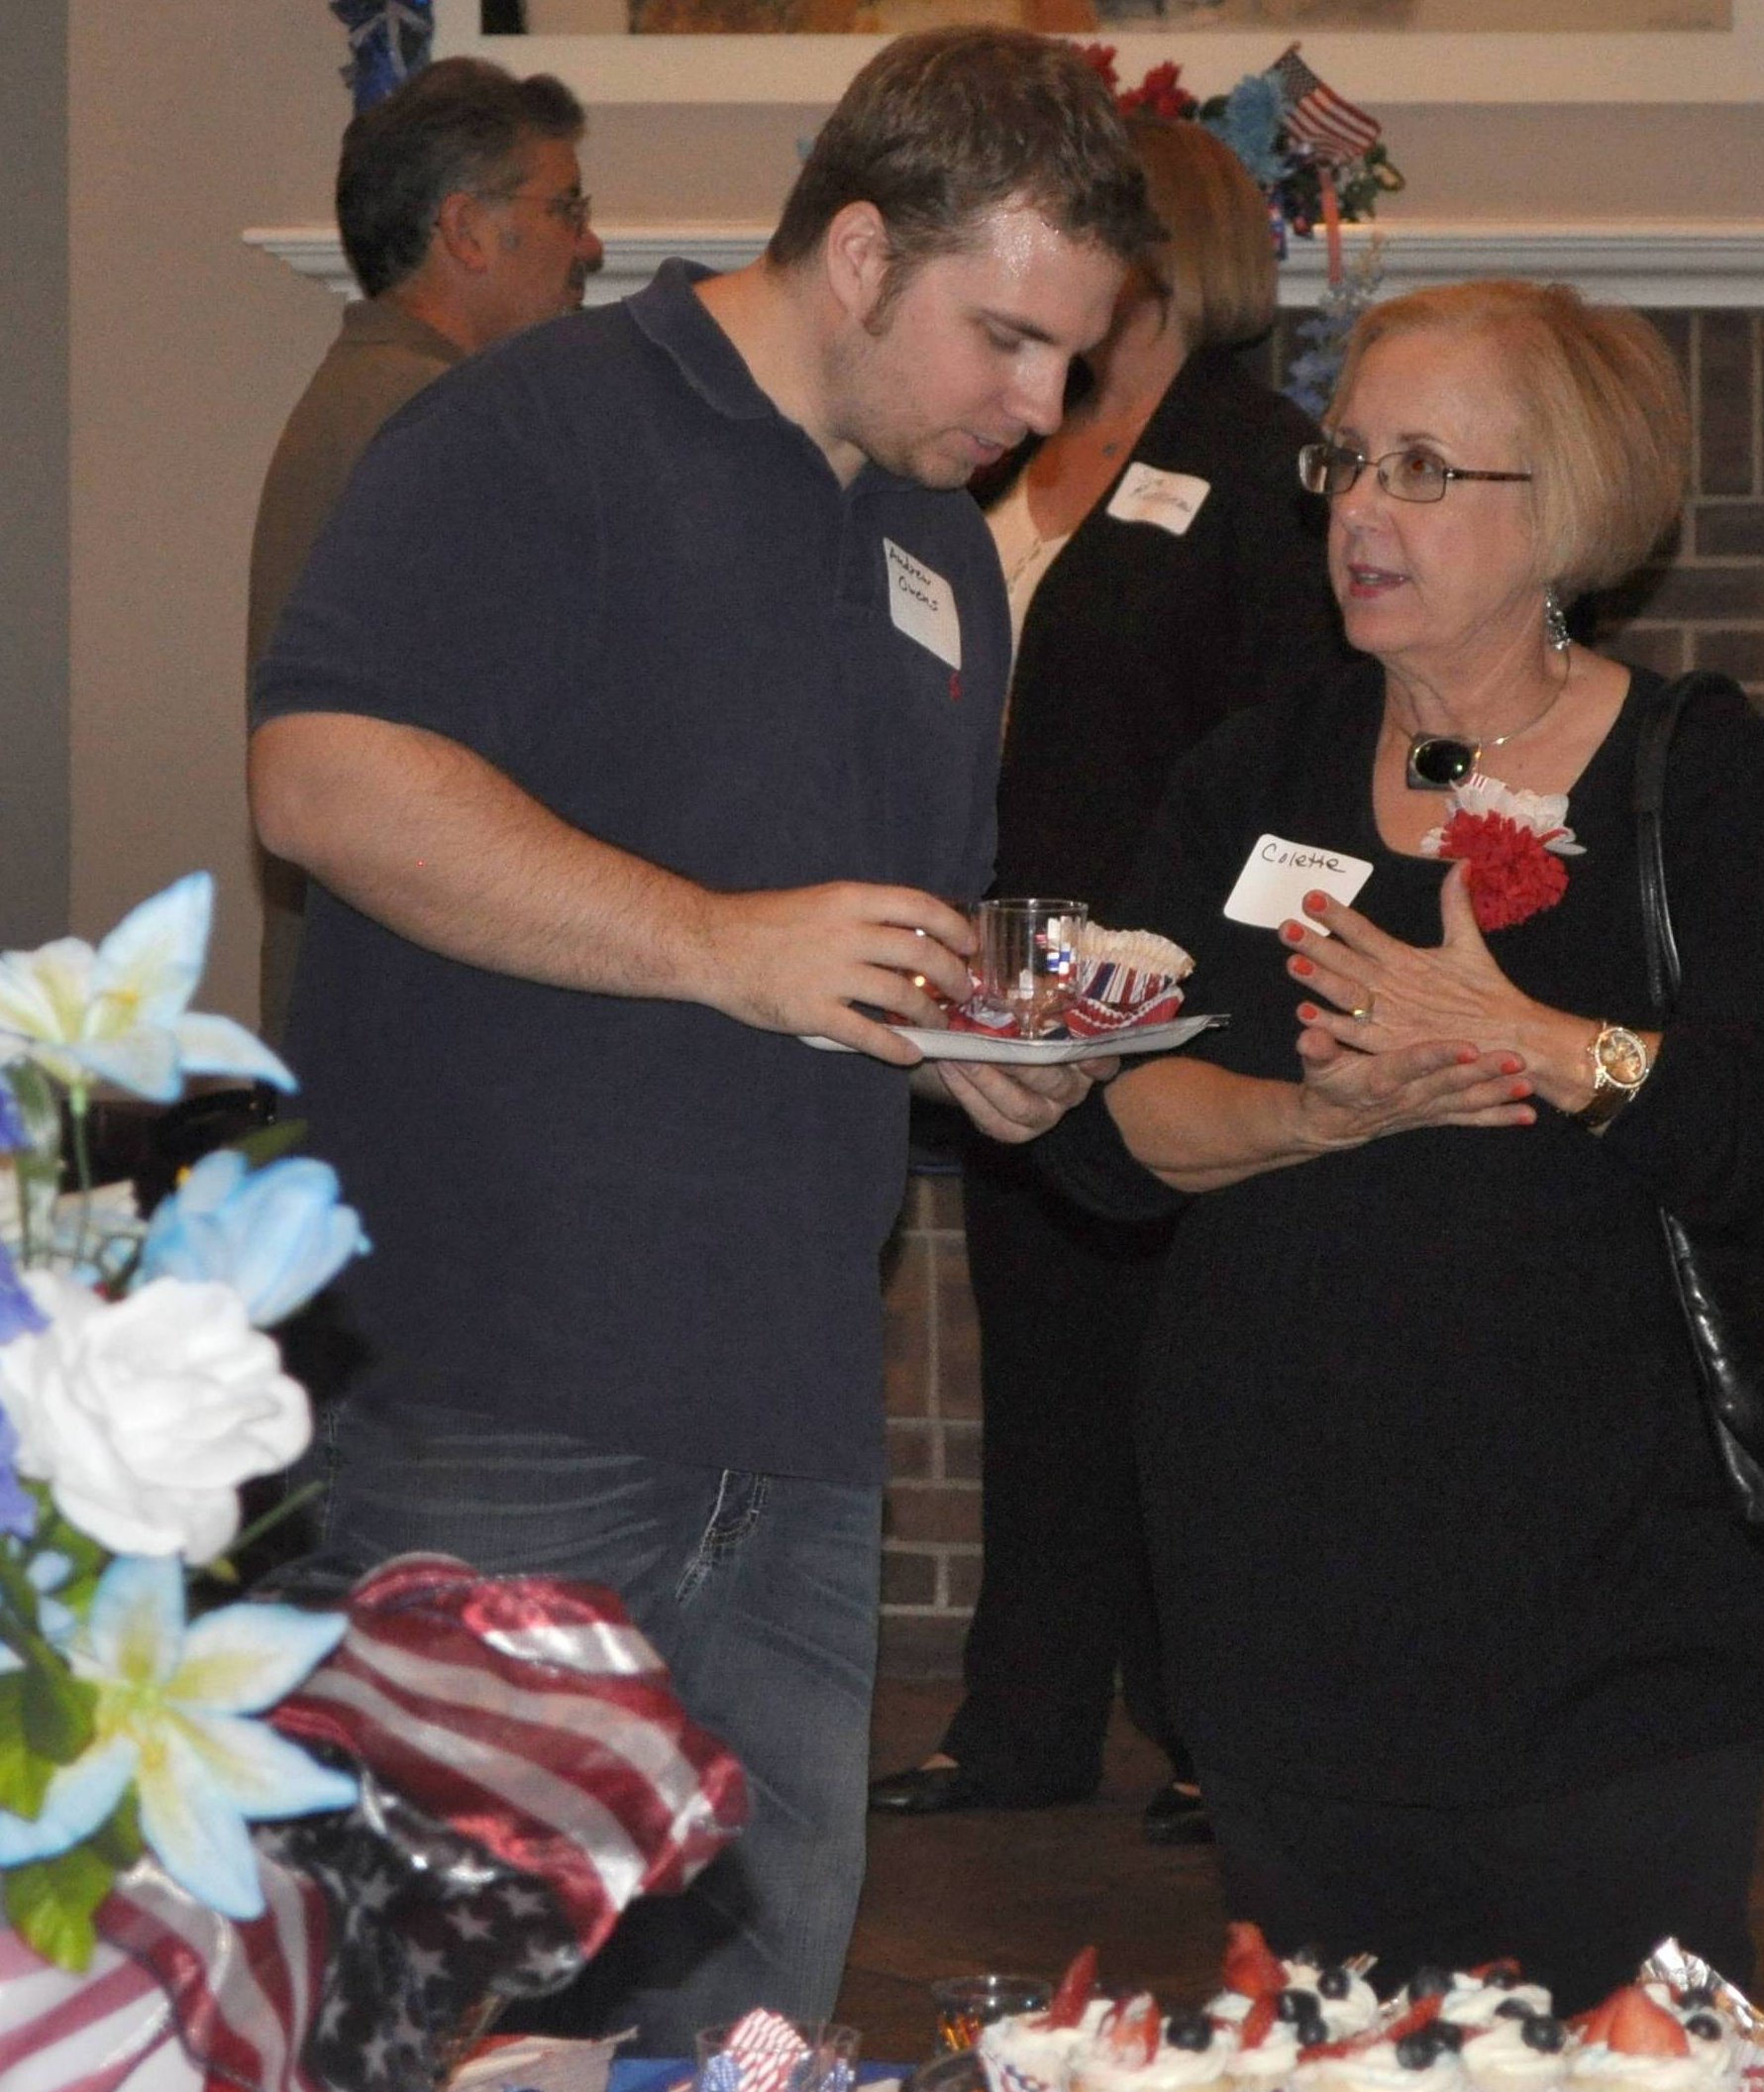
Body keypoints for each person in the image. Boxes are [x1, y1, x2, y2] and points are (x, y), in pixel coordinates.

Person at [248, 26, 1157, 2054]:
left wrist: (968, 1045)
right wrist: (718, 945)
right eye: (1008, 339)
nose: (1039, 409)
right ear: (860, 253)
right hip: (497, 1411)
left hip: (796, 1428)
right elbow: (320, 778)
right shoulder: (530, 432)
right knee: (443, 2026)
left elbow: (856, 948)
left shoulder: (939, 551)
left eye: (1072, 361)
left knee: (745, 2041)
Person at [1039, 280, 1764, 2008]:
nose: (1359, 509)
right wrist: (1314, 1113)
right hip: (1286, 1601)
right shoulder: (1250, 775)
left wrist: (1538, 1042)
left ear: (1563, 512)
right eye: (1346, 462)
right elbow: (1110, 1129)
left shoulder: (1691, 779)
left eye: (1422, 469)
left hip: (1609, 1618)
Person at [869, 115, 1345, 1845]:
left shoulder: (1259, 464)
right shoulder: (993, 449)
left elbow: (1294, 748)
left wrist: (1212, 963)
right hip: (1007, 980)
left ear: (1163, 253)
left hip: (1177, 982)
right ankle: (1025, 1716)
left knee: (1183, 1376)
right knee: (1044, 1365)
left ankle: (1222, 1722)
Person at [248, 55, 604, 1044]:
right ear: (465, 230)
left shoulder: (368, 393)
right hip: (420, 1019)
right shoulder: (444, 420)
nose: (590, 242)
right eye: (566, 208)